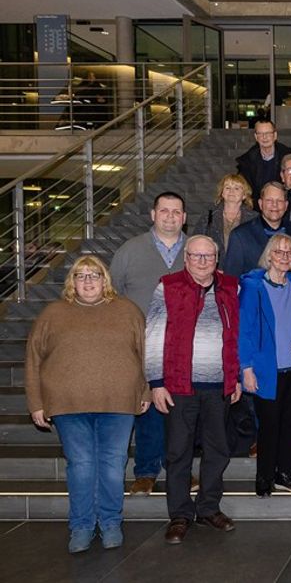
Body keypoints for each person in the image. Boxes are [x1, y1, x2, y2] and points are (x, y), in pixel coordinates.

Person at [26, 256, 149, 553]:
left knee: (111, 465)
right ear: (72, 282)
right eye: (80, 275)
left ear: (105, 279)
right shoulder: (53, 314)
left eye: (94, 274)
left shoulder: (127, 311)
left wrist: (145, 391)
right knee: (80, 466)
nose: (88, 281)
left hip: (118, 402)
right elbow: (33, 358)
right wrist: (36, 402)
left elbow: (146, 355)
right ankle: (81, 525)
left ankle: (109, 523)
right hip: (68, 404)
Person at [145, 235, 243, 545]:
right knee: (178, 453)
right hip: (179, 385)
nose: (202, 261)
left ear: (217, 259)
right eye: (196, 256)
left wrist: (236, 377)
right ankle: (179, 515)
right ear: (185, 258)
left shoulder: (231, 287)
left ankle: (208, 508)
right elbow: (154, 334)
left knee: (218, 450)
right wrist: (156, 383)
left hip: (219, 386)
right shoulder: (168, 286)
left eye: (208, 256)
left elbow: (237, 336)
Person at [110, 191, 186, 497]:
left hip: (185, 347)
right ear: (153, 215)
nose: (170, 216)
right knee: (148, 408)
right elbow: (111, 295)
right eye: (164, 211)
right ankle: (146, 471)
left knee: (182, 413)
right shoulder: (130, 251)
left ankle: (180, 469)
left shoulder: (195, 250)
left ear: (184, 217)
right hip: (143, 345)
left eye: (176, 212)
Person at [239, 234, 291, 497]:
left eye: (290, 252)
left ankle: (286, 473)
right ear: (269, 255)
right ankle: (265, 476)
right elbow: (244, 330)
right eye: (279, 252)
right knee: (269, 425)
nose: (284, 256)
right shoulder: (253, 286)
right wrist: (246, 368)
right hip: (266, 370)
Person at [223, 182, 291, 300]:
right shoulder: (240, 236)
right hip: (255, 309)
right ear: (260, 204)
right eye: (269, 200)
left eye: (279, 201)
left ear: (286, 205)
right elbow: (230, 281)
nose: (274, 205)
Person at [192, 174, 257, 259]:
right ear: (222, 193)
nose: (231, 191)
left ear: (244, 195)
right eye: (227, 188)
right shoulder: (208, 216)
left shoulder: (254, 218)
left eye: (236, 188)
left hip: (243, 269)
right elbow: (196, 241)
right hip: (214, 267)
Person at [236, 118, 291, 197]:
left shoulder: (289, 156)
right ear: (256, 137)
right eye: (260, 133)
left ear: (275, 135)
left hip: (283, 204)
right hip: (256, 206)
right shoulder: (247, 161)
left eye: (268, 133)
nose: (264, 137)